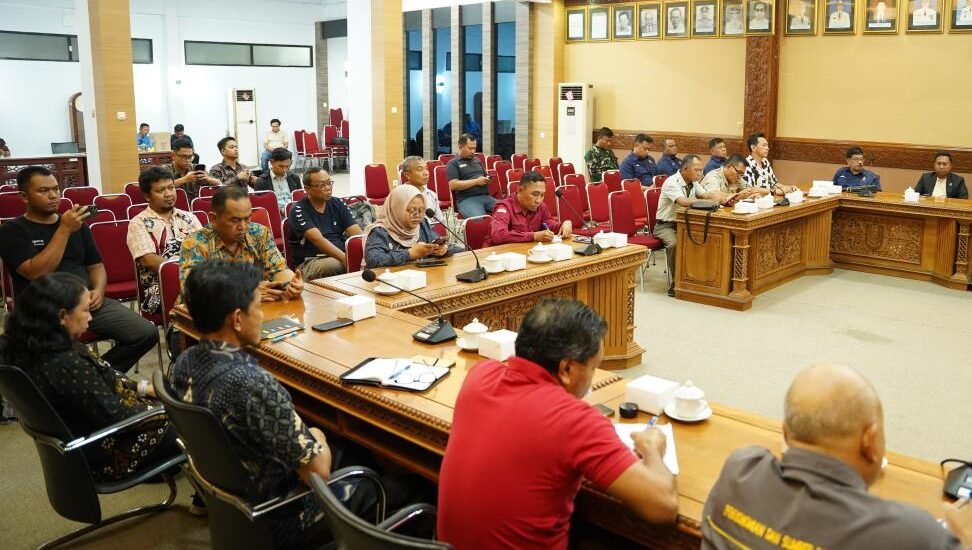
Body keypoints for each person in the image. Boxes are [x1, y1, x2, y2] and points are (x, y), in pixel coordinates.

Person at [438, 298, 679, 549]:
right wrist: (652, 448)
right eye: (594, 368)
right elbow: (663, 507)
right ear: (566, 369)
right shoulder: (575, 421)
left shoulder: (480, 375)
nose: (592, 378)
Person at [701, 364, 971, 549]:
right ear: (870, 441)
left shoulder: (741, 468)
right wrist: (964, 537)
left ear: (785, 433)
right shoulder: (913, 535)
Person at [169, 260, 333, 548]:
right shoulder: (251, 384)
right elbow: (319, 471)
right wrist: (318, 435)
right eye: (257, 307)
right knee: (398, 485)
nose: (261, 315)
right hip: (282, 516)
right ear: (236, 319)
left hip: (236, 508)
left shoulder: (184, 363)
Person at [0, 273, 179, 483]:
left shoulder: (35, 346)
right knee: (206, 426)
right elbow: (118, 417)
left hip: (95, 438)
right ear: (61, 316)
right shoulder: (66, 365)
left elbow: (107, 380)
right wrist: (169, 409)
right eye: (85, 310)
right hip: (111, 451)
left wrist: (142, 388)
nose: (91, 318)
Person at [0, 166, 157, 373]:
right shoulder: (13, 230)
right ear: (24, 196)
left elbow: (96, 265)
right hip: (44, 310)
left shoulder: (77, 225)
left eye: (56, 189)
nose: (53, 195)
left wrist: (99, 290)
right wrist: (64, 230)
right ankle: (83, 376)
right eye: (43, 191)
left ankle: (98, 374)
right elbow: (36, 272)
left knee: (146, 332)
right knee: (55, 353)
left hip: (86, 302)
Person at [179, 185, 303, 300]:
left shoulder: (259, 233)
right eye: (234, 220)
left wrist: (292, 284)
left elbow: (278, 270)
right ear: (214, 219)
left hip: (250, 311)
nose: (243, 226)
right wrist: (247, 291)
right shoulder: (196, 243)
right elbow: (192, 292)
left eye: (247, 218)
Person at [127, 167, 202, 316]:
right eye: (161, 191)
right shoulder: (138, 223)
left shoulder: (189, 217)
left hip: (198, 281)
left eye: (171, 188)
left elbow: (205, 248)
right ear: (147, 196)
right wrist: (186, 274)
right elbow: (148, 260)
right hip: (158, 290)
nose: (168, 194)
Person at [287, 167, 362, 279]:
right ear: (307, 189)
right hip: (311, 261)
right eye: (322, 185)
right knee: (336, 264)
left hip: (341, 253)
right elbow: (318, 240)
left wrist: (368, 249)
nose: (328, 188)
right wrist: (346, 259)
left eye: (329, 183)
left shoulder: (338, 203)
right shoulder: (298, 210)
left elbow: (357, 233)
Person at [363, 185, 461, 269]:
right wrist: (409, 254)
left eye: (421, 210)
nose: (417, 215)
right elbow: (373, 260)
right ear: (396, 209)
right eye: (411, 210)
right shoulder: (380, 231)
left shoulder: (422, 224)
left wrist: (444, 249)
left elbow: (448, 246)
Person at [654, 155, 704, 297]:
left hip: (684, 224)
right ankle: (677, 283)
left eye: (701, 170)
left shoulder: (693, 182)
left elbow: (705, 194)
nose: (700, 173)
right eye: (697, 170)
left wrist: (722, 197)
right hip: (666, 225)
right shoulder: (672, 182)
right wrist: (706, 202)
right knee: (674, 244)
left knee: (703, 239)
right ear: (685, 169)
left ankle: (696, 279)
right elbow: (682, 201)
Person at [485, 171, 572, 247]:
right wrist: (533, 236)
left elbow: (549, 223)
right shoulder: (504, 207)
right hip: (497, 257)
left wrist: (563, 225)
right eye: (535, 194)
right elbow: (498, 235)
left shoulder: (540, 206)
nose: (539, 200)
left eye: (542, 195)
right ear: (519, 190)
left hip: (524, 253)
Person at [447, 133, 497, 218]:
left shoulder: (477, 161)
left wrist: (487, 180)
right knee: (480, 220)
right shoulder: (453, 163)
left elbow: (485, 177)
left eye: (474, 148)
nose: (473, 151)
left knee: (507, 211)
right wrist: (476, 182)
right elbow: (453, 185)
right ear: (460, 146)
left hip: (485, 196)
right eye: (470, 148)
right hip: (467, 199)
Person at [163, 137, 219, 202]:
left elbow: (219, 184)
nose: (188, 160)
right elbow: (161, 188)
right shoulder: (164, 170)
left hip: (196, 207)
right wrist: (184, 179)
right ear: (173, 155)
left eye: (190, 157)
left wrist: (208, 179)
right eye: (184, 156)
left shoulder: (194, 168)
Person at [697, 154, 765, 205]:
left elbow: (749, 190)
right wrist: (738, 196)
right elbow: (713, 196)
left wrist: (754, 194)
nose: (739, 177)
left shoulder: (737, 177)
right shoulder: (713, 176)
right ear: (728, 166)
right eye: (738, 172)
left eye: (742, 174)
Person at [401, 155, 443, 222]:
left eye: (426, 168)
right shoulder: (400, 196)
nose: (426, 173)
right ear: (407, 175)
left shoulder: (431, 195)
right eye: (420, 169)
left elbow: (440, 221)